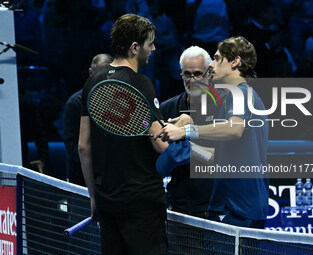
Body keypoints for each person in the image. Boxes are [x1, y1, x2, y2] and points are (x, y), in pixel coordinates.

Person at [157, 36, 269, 230]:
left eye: (217, 59)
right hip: (245, 204)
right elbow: (224, 155)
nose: (213, 65)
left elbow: (235, 128)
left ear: (235, 61)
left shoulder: (240, 93)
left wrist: (186, 131)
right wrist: (190, 144)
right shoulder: (242, 95)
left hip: (236, 206)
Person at [78, 14, 168, 255]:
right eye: (150, 43)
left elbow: (83, 147)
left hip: (107, 199)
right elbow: (161, 145)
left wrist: (94, 197)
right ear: (135, 47)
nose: (154, 48)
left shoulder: (92, 83)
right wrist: (185, 132)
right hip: (142, 202)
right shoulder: (141, 84)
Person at [160, 46, 221, 218]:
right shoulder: (167, 109)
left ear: (209, 73)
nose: (192, 80)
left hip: (215, 210)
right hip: (179, 209)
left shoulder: (225, 108)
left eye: (197, 74)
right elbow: (158, 161)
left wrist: (188, 138)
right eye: (187, 74)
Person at [63, 53, 113, 186]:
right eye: (99, 74)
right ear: (91, 73)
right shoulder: (75, 103)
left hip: (113, 177)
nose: (103, 79)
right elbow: (72, 145)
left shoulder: (120, 101)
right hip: (80, 179)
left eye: (108, 75)